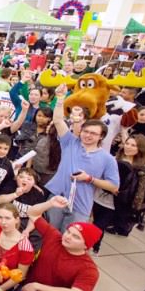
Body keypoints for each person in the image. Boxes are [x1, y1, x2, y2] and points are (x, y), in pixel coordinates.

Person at [45, 83, 120, 230]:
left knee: (70, 240)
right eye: (86, 131)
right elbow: (58, 121)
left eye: (93, 133)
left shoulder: (107, 159)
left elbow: (114, 186)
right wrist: (60, 99)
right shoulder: (70, 142)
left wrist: (89, 179)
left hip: (81, 206)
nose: (88, 135)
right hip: (57, 198)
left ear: (101, 137)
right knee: (49, 234)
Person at [22, 197, 101, 291]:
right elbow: (32, 213)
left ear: (86, 246)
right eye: (68, 231)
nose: (68, 237)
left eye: (76, 237)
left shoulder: (88, 269)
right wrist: (49, 203)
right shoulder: (55, 237)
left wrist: (38, 286)